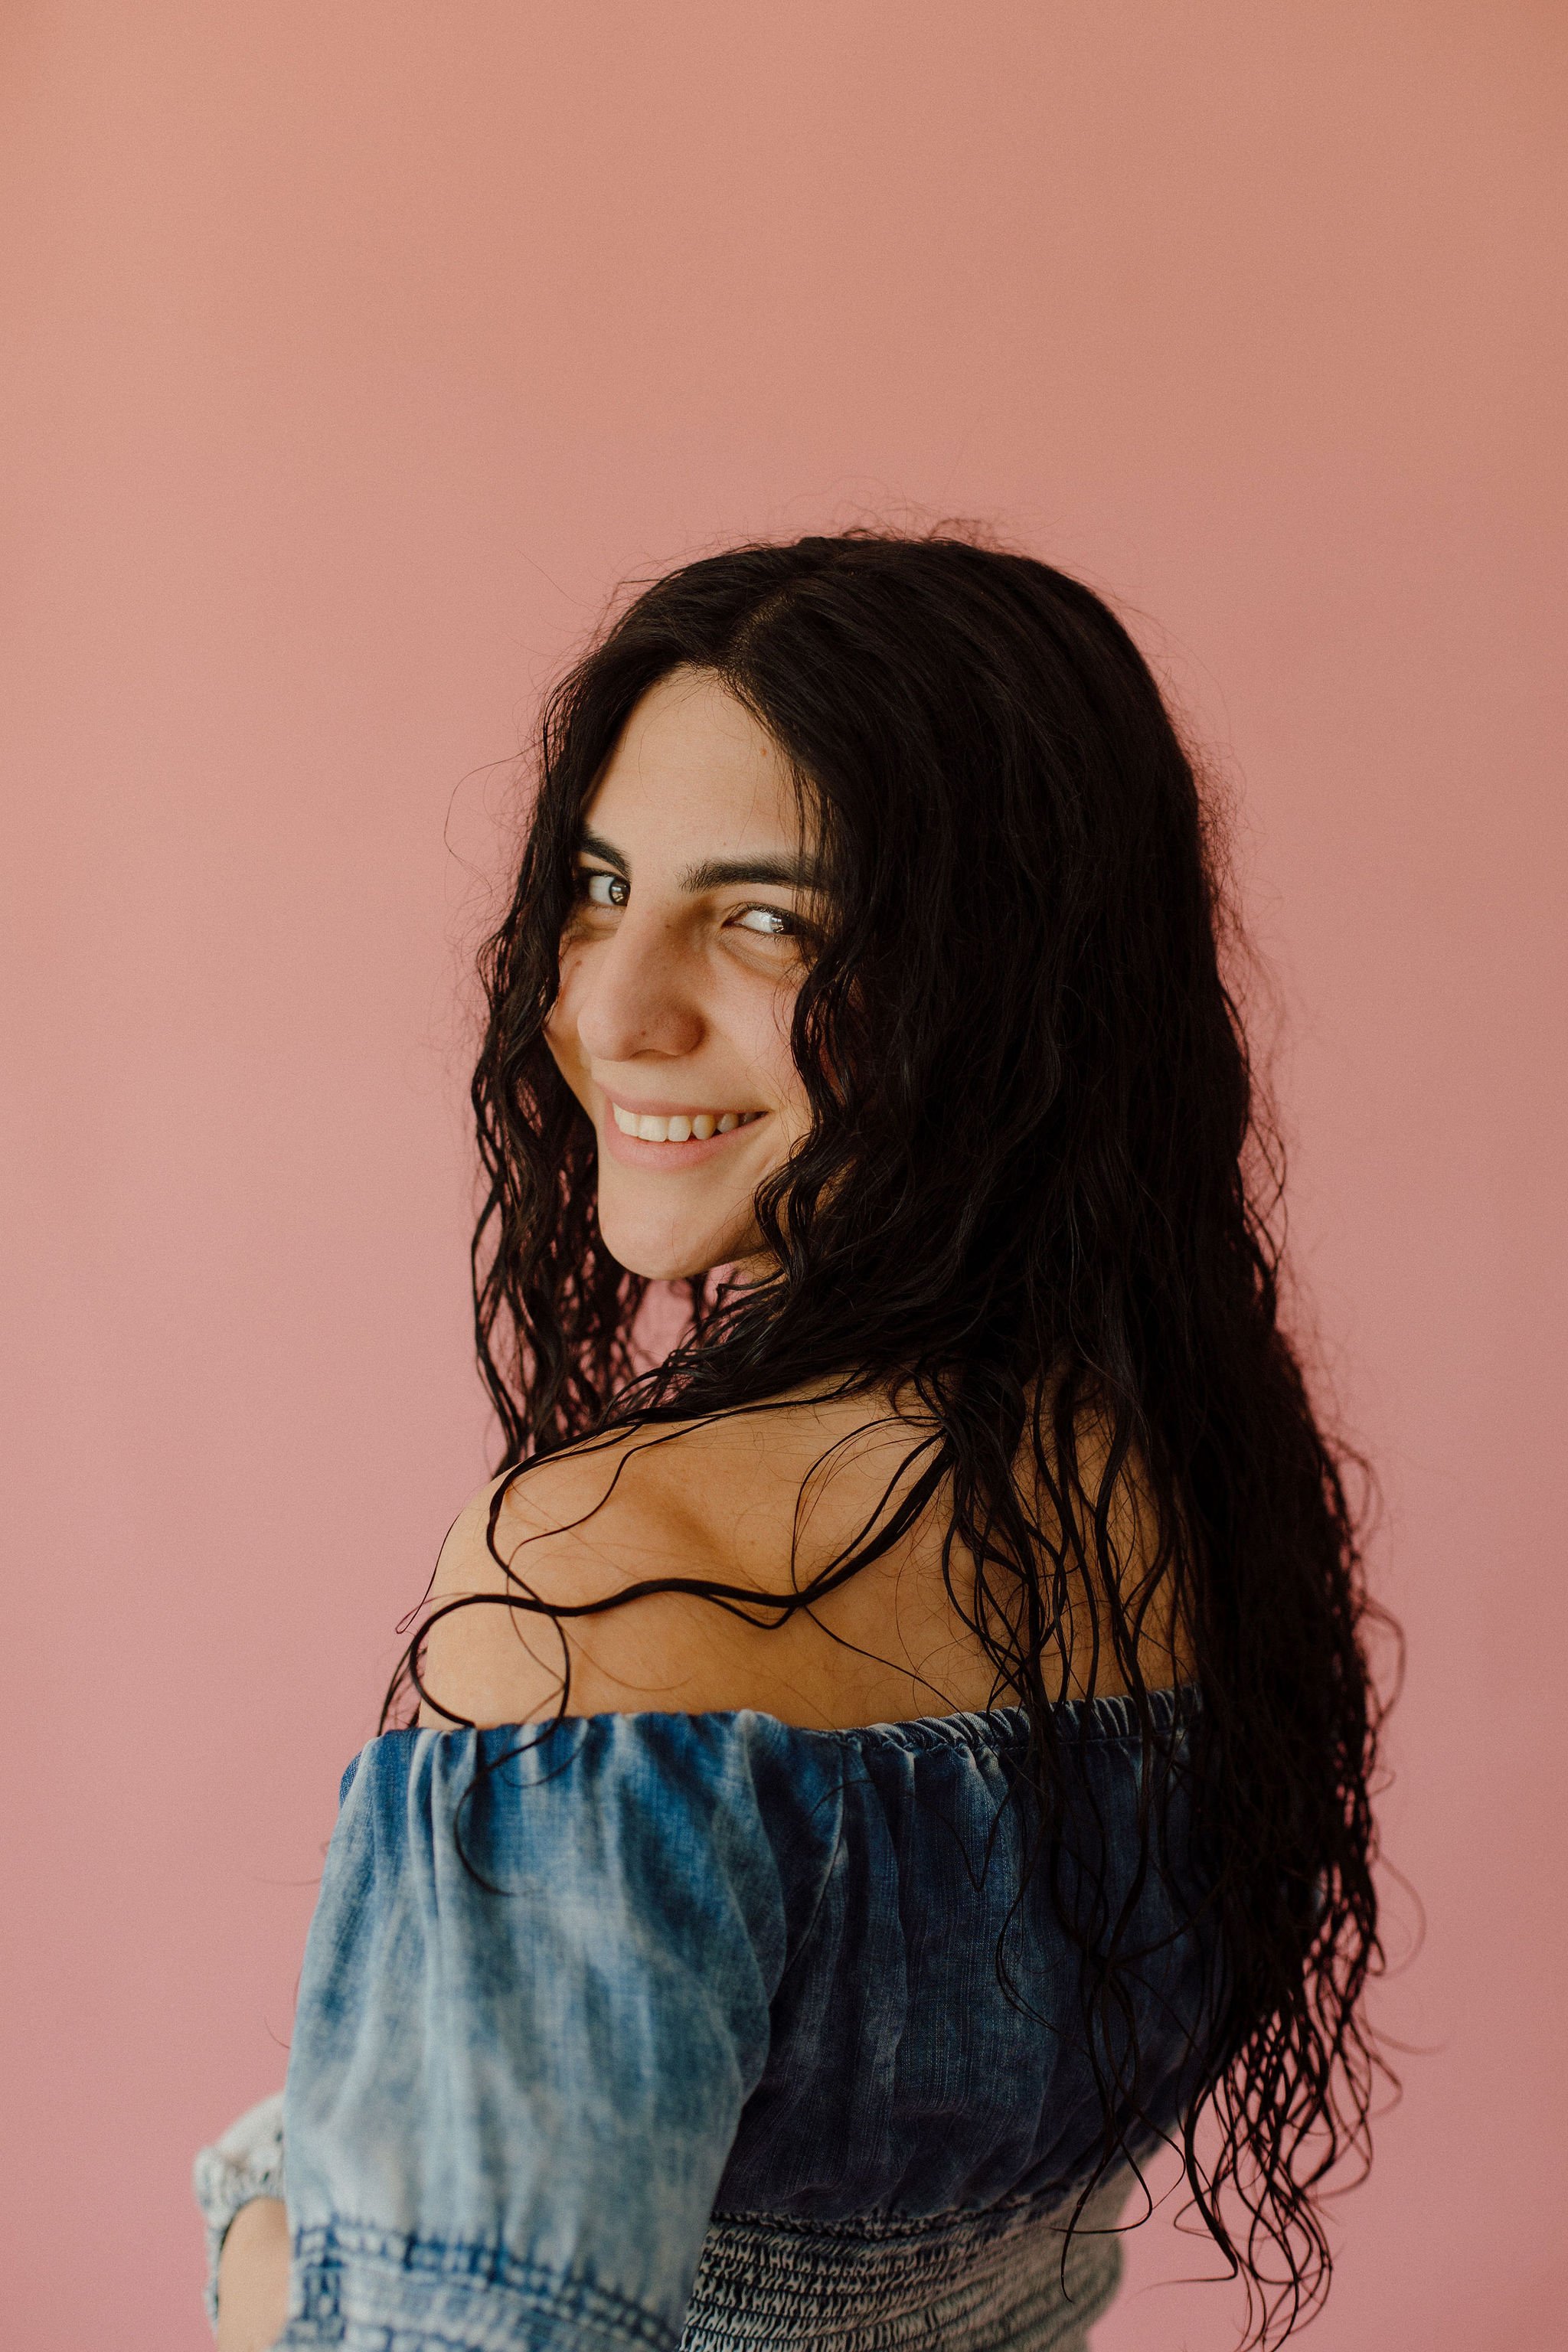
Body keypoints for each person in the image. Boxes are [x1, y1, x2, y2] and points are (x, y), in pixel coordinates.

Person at [195, 531, 1387, 2352]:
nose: (609, 1008)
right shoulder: (1174, 1481)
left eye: (765, 918)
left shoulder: (609, 1570)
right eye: (599, 887)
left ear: (1005, 976)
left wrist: (264, 2250)